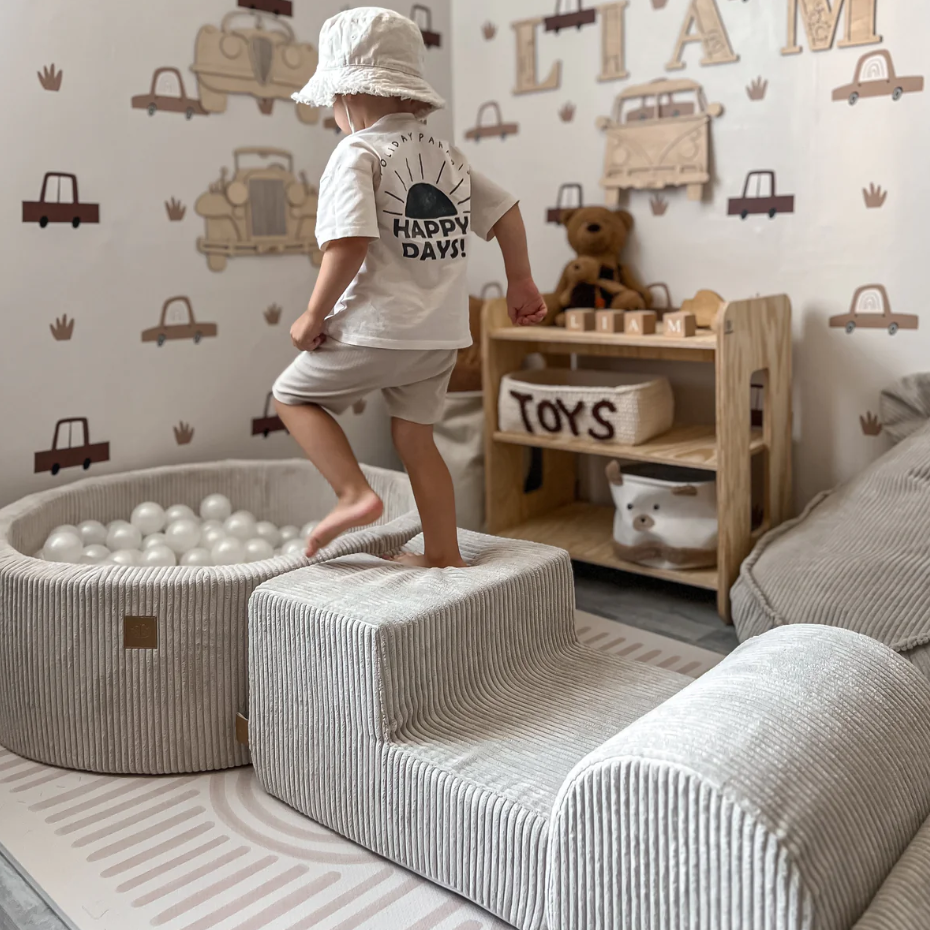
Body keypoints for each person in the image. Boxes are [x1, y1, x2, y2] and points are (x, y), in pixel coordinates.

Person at [273, 7, 547, 568]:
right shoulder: (446, 156)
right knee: (417, 441)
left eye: (332, 103)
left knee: (291, 396)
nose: (333, 115)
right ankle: (444, 554)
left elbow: (347, 245)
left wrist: (313, 315)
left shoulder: (356, 152)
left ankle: (353, 494)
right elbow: (508, 213)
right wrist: (520, 279)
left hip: (379, 327)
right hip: (441, 338)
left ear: (350, 96)